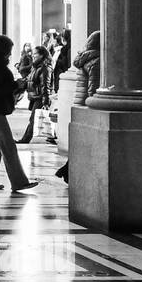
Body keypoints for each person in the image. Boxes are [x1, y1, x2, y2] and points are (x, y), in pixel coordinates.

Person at [0, 35, 38, 192]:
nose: (10, 54)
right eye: (9, 51)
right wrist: (15, 85)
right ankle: (19, 182)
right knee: (8, 145)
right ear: (2, 50)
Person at [53, 30, 101, 182]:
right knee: (87, 143)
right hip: (88, 107)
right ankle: (68, 171)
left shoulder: (84, 59)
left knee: (81, 142)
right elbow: (93, 89)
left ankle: (67, 170)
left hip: (78, 104)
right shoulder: (96, 61)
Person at [16, 45, 55, 144]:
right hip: (35, 96)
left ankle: (25, 140)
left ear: (42, 55)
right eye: (33, 54)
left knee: (33, 119)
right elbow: (29, 80)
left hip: (40, 97)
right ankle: (52, 136)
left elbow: (45, 86)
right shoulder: (35, 66)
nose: (33, 55)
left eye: (35, 54)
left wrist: (45, 101)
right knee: (35, 118)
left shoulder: (44, 68)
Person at [52, 28, 72, 92]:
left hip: (62, 72)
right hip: (60, 72)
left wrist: (58, 61)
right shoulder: (64, 48)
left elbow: (66, 63)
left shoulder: (67, 49)